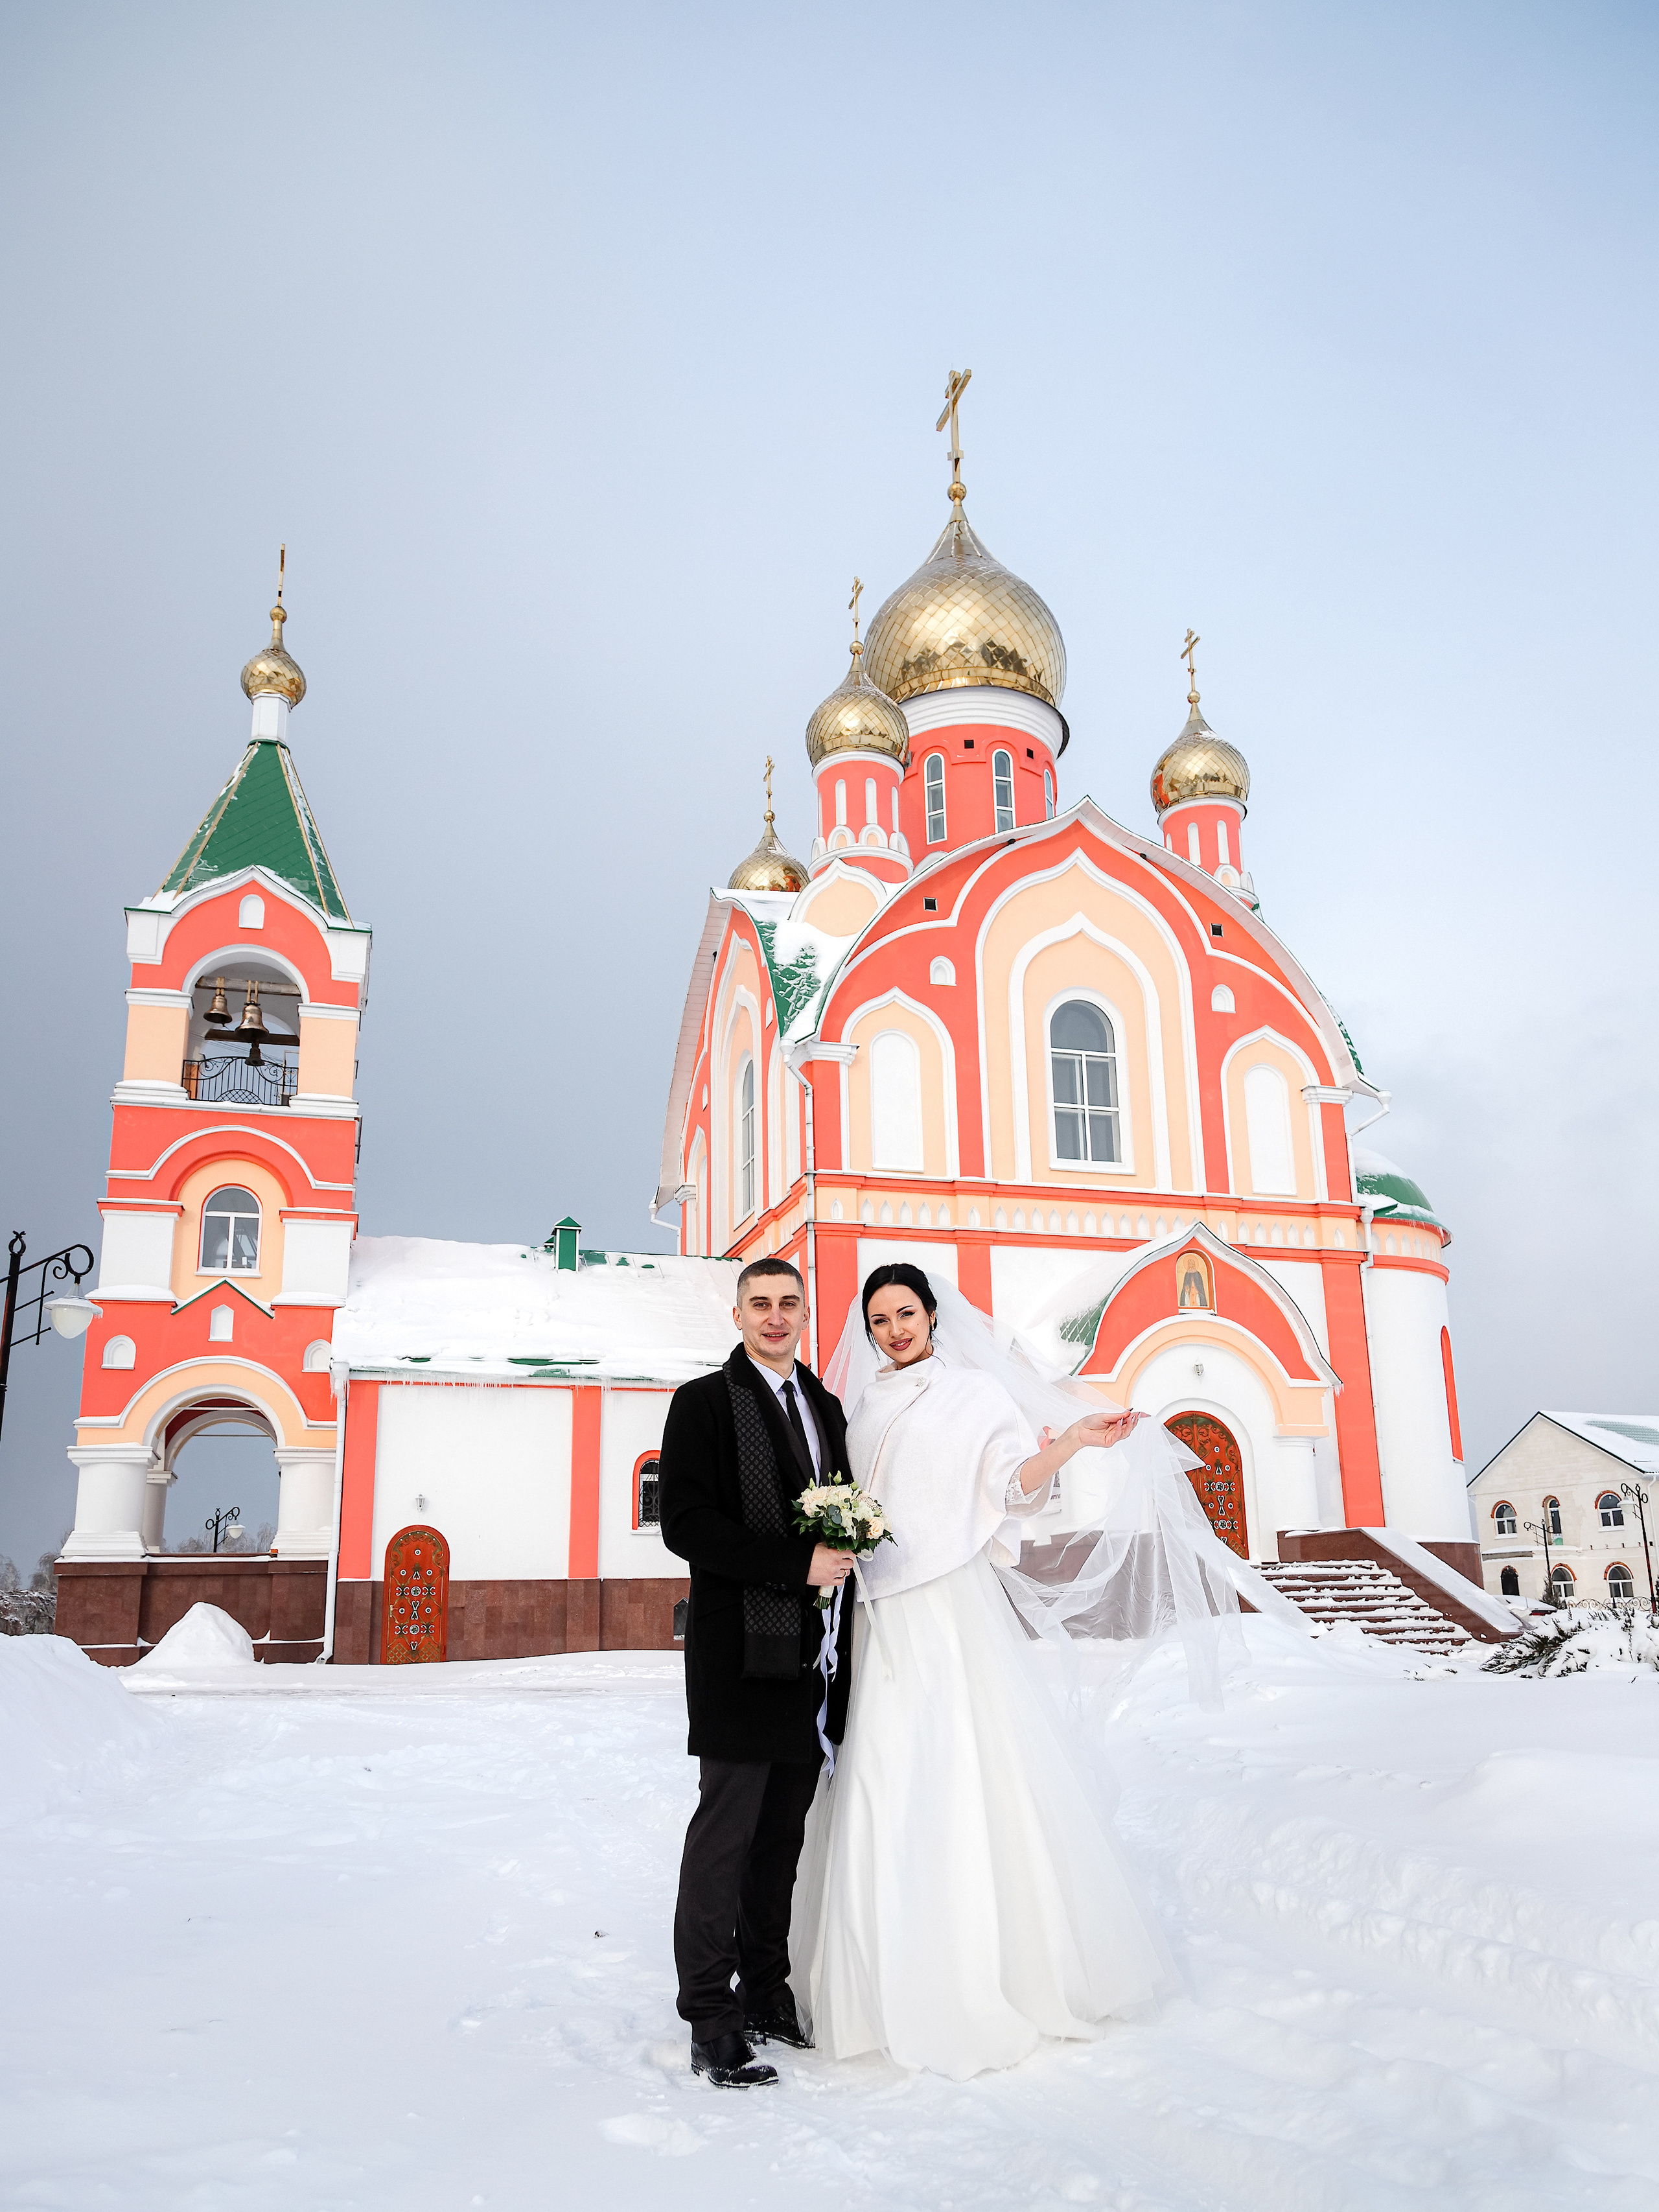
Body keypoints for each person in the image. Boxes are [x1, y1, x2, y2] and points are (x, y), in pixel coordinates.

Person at [788, 1261, 1179, 2080]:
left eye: (906, 1313)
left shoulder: (974, 1394)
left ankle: (983, 1974)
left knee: (960, 1768)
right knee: (878, 1776)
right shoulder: (862, 1404)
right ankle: (880, 1977)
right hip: (876, 1610)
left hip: (946, 1608)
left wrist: (1067, 1442)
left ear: (934, 1315)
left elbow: (1009, 1486)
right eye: (879, 1319)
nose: (894, 1329)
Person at [658, 1254, 857, 2089]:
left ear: (805, 1311)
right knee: (726, 1832)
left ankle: (766, 1988)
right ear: (737, 1315)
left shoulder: (825, 1405)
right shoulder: (702, 1403)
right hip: (740, 1649)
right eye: (759, 1304)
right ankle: (710, 2013)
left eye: (788, 1302)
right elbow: (687, 1525)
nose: (775, 1316)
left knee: (783, 1832)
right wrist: (794, 1564)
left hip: (814, 1653)